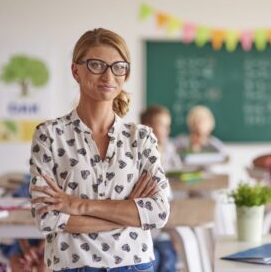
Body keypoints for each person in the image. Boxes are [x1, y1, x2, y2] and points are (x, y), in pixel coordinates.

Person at [29, 28, 170, 272]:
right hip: (73, 267)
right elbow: (47, 218)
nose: (108, 75)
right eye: (96, 65)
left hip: (135, 265)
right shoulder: (50, 135)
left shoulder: (142, 138)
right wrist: (128, 213)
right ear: (76, 71)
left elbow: (158, 213)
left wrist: (78, 206)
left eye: (118, 67)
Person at [140, 105, 179, 272]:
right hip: (146, 227)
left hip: (165, 226)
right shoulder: (140, 148)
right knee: (153, 260)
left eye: (166, 126)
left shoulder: (169, 149)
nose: (164, 130)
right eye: (160, 124)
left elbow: (179, 173)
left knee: (169, 258)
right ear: (147, 125)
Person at [140, 105, 182, 172]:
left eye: (167, 126)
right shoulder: (140, 150)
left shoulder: (169, 147)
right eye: (162, 125)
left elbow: (179, 169)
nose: (167, 129)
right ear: (147, 127)